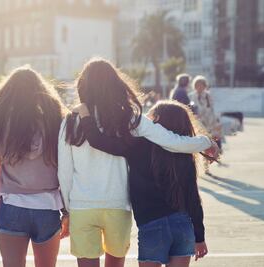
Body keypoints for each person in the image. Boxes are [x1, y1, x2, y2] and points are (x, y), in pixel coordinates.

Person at [57, 58, 218, 267]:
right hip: (117, 204)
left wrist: (69, 209)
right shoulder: (132, 119)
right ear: (116, 84)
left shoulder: (70, 121)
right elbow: (172, 142)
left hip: (82, 205)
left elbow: (64, 172)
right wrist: (206, 142)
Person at [75, 100, 209, 267]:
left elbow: (97, 140)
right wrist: (199, 237)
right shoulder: (185, 155)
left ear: (157, 120)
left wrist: (85, 114)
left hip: (152, 225)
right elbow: (193, 199)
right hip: (183, 225)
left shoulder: (137, 146)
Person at [0, 66, 69, 267]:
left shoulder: (1, 123)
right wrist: (68, 211)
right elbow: (65, 169)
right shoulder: (54, 122)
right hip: (47, 207)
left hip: (12, 206)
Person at [189, 75, 223, 172]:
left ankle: (206, 165)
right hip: (197, 123)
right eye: (197, 85)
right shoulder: (191, 96)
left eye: (201, 85)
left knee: (207, 143)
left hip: (209, 123)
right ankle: (197, 163)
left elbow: (213, 109)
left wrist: (217, 122)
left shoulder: (208, 96)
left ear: (204, 86)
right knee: (197, 143)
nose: (199, 87)